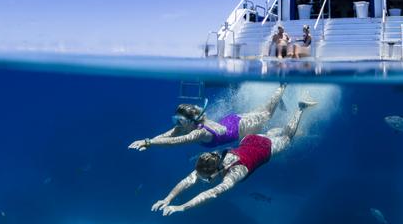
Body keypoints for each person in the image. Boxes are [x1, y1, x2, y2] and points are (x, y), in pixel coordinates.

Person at [152, 97, 318, 216]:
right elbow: (188, 180)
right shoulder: (213, 158)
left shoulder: (234, 173)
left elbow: (212, 193)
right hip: (249, 139)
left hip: (264, 148)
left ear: (214, 171)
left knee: (287, 138)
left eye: (206, 179)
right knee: (271, 132)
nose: (205, 181)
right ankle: (282, 108)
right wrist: (168, 199)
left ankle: (300, 108)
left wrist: (182, 207)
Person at [128, 84, 286, 151]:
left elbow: (173, 141)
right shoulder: (188, 124)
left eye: (180, 121)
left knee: (267, 114)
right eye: (175, 120)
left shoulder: (199, 133)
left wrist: (148, 142)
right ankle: (277, 95)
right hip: (233, 120)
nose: (177, 124)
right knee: (263, 109)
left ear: (191, 121)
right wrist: (148, 142)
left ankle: (282, 86)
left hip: (241, 126)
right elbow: (167, 135)